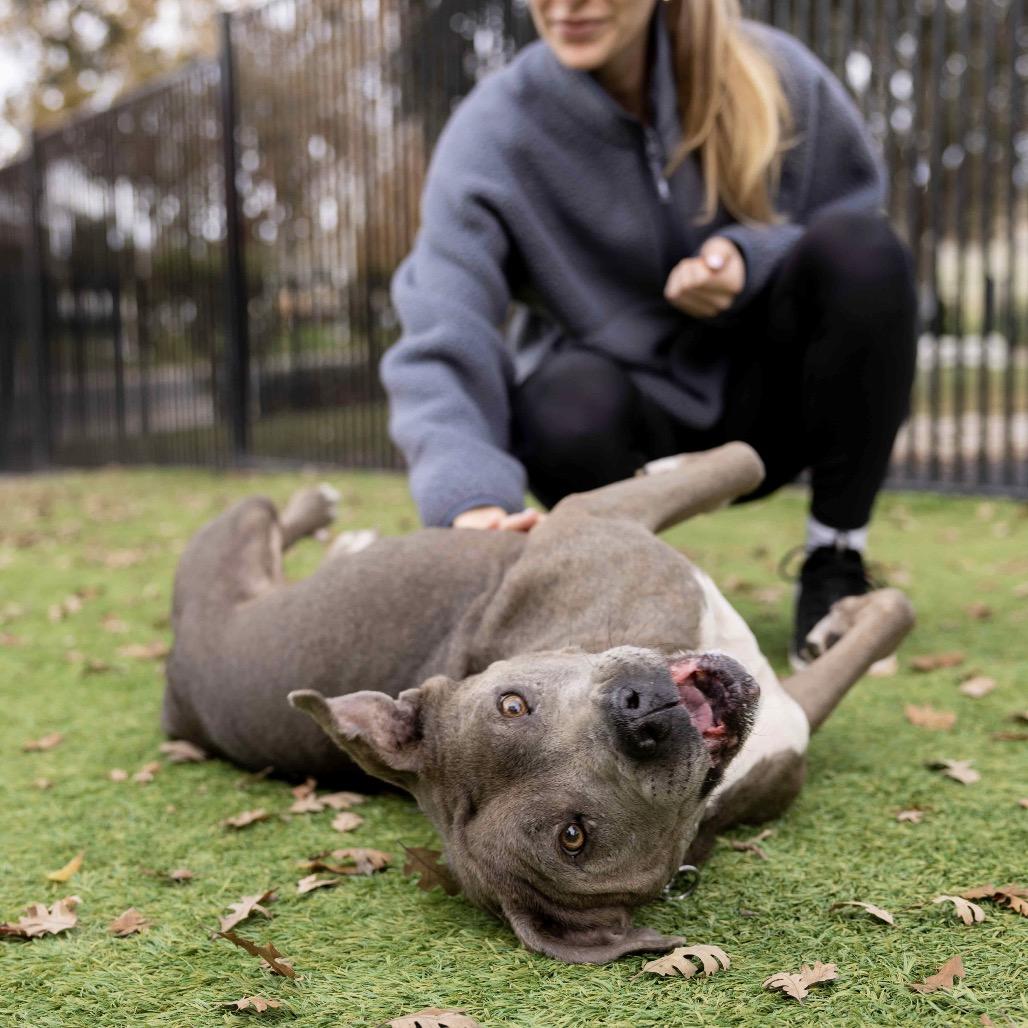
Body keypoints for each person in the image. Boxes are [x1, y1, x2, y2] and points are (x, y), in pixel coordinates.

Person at [380, 0, 917, 667]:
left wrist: (751, 258)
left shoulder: (776, 73)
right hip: (622, 427)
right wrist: (471, 496)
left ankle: (835, 564)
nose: (567, 5)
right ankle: (639, 588)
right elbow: (441, 316)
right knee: (562, 398)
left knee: (867, 249)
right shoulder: (494, 131)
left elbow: (851, 230)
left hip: (767, 410)